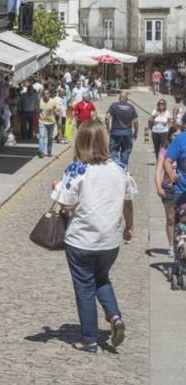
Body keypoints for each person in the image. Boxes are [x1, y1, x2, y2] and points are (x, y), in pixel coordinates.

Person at [51, 120, 136, 353]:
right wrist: (129, 226)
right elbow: (128, 202)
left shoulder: (77, 169)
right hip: (109, 240)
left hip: (81, 240)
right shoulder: (120, 167)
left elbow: (66, 205)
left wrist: (57, 186)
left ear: (80, 141)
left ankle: (88, 339)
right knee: (101, 278)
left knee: (85, 287)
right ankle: (114, 317)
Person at [156, 126, 181, 257]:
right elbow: (159, 169)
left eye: (179, 135)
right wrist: (158, 187)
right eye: (174, 135)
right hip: (169, 188)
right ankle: (171, 245)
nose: (177, 138)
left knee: (182, 219)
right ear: (170, 135)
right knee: (171, 218)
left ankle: (182, 243)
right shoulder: (164, 150)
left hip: (182, 188)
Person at [106, 92, 139, 167]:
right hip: (127, 132)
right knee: (125, 151)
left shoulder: (114, 105)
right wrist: (136, 132)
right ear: (127, 99)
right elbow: (135, 121)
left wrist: (108, 128)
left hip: (115, 132)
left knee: (114, 151)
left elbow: (107, 117)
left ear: (119, 98)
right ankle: (124, 168)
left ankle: (115, 168)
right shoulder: (131, 107)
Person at [38, 88, 61, 158]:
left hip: (51, 122)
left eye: (47, 93)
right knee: (42, 136)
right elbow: (38, 110)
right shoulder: (40, 101)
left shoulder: (53, 101)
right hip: (42, 121)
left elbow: (58, 110)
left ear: (49, 94)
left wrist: (59, 117)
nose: (46, 95)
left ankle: (49, 151)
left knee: (50, 138)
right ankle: (41, 152)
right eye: (44, 93)